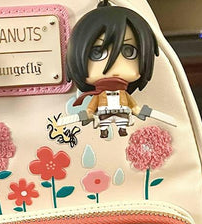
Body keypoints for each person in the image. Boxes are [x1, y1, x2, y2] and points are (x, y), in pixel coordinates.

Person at [65, 1, 159, 138]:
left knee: (121, 122)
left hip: (121, 113)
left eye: (129, 52)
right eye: (97, 53)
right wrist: (87, 114)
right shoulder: (99, 95)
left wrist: (139, 111)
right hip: (104, 115)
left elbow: (134, 106)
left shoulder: (123, 95)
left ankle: (121, 129)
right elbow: (91, 108)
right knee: (104, 124)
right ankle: (104, 130)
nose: (114, 66)